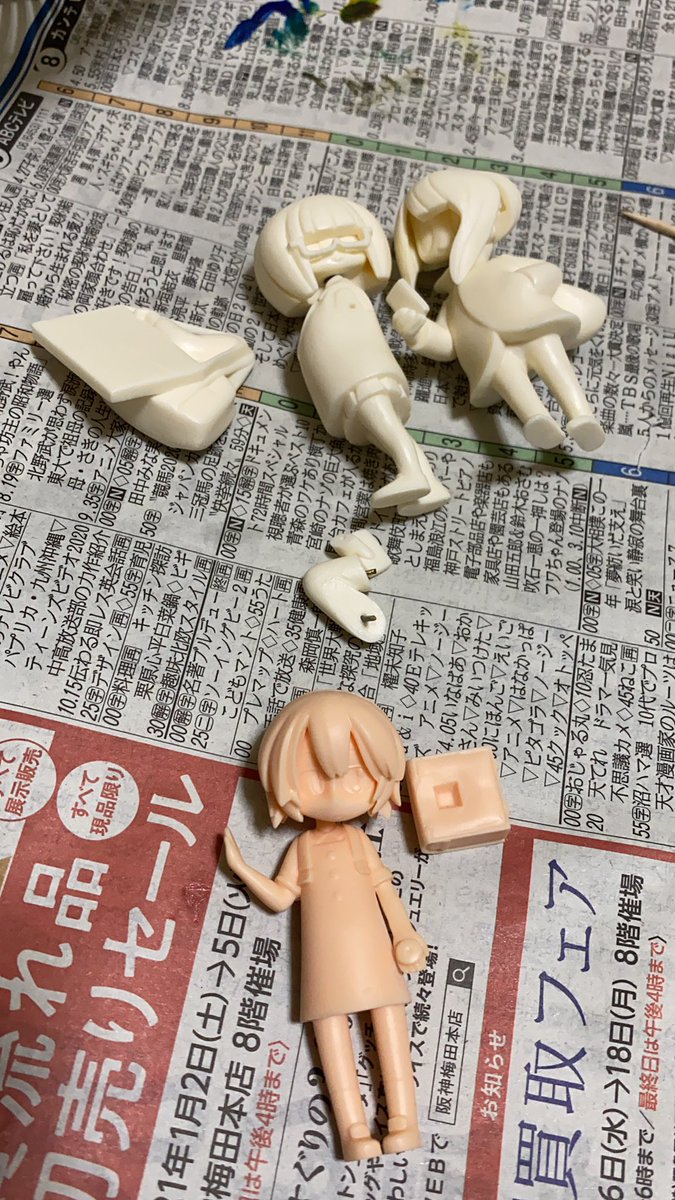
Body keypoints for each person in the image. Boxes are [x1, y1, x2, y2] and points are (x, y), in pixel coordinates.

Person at [224, 690, 428, 1161]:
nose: (335, 791)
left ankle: (405, 1120)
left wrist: (403, 933)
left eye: (353, 775)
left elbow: (384, 890)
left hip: (373, 953)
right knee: (331, 1035)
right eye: (314, 777)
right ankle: (352, 1130)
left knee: (390, 1026)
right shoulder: (302, 850)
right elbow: (281, 897)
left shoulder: (359, 843)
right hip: (323, 961)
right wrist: (242, 869)